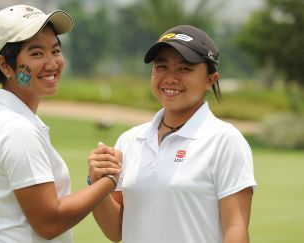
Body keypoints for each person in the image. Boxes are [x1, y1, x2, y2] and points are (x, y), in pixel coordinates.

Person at [88, 25, 257, 243]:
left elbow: (236, 228)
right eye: (161, 67)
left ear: (210, 80)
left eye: (184, 69)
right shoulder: (130, 140)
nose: (170, 78)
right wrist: (97, 181)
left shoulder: (224, 140)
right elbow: (116, 231)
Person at [0, 5, 121, 243]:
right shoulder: (16, 129)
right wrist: (108, 181)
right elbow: (49, 222)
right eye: (37, 54)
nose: (52, 63)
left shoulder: (9, 119)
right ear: (6, 66)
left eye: (55, 51)